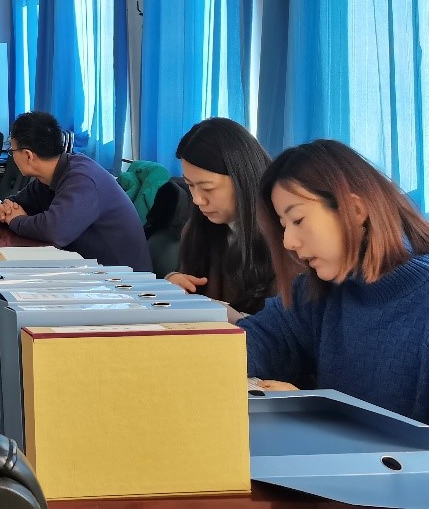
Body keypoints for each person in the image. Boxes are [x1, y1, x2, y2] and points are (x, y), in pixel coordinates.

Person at [237, 140, 429, 422]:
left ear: (355, 210)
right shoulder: (320, 289)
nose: (288, 242)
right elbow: (258, 339)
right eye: (283, 226)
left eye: (298, 220)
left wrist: (314, 414)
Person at [0, 111, 151, 271]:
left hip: (123, 278)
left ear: (28, 155)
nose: (12, 156)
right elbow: (16, 204)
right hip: (91, 272)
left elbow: (55, 231)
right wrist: (4, 211)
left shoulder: (82, 179)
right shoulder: (49, 177)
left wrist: (16, 220)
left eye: (12, 151)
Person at [167, 118, 274, 314]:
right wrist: (173, 284)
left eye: (208, 188)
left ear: (243, 179)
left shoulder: (284, 236)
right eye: (190, 185)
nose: (197, 200)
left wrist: (235, 318)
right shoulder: (199, 228)